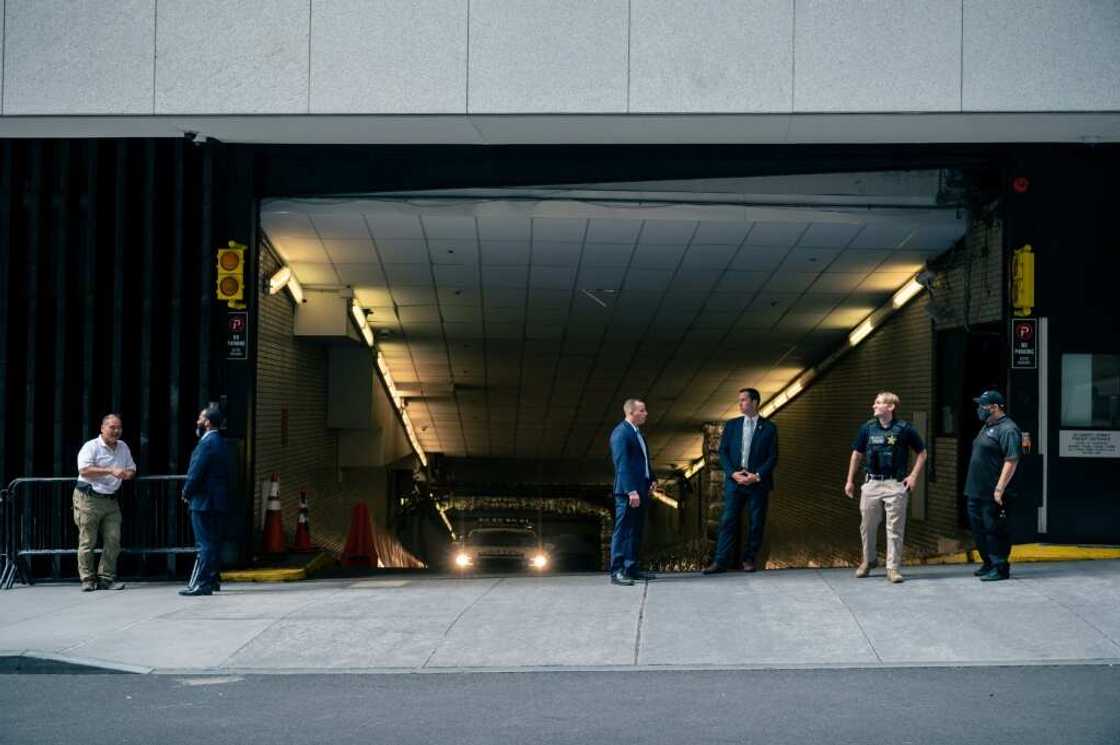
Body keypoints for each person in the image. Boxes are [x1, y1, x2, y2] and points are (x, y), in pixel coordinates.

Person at [844, 392, 927, 583]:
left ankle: (893, 568)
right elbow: (856, 454)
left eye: (879, 403)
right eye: (875, 402)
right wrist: (850, 480)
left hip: (895, 484)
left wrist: (913, 476)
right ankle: (869, 560)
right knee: (867, 525)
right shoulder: (867, 428)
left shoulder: (904, 429)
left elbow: (922, 453)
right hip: (872, 483)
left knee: (895, 528)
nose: (874, 405)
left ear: (891, 407)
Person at [703, 388, 778, 574]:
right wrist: (732, 474)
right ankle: (720, 561)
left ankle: (749, 559)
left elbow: (773, 456)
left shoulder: (769, 428)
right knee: (728, 520)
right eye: (740, 400)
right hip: (735, 482)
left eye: (744, 400)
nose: (740, 403)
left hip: (757, 483)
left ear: (754, 402)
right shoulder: (732, 425)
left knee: (756, 522)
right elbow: (723, 452)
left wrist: (757, 475)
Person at [74, 414, 137, 591]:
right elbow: (84, 470)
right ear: (102, 428)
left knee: (113, 539)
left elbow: (132, 468)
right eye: (112, 427)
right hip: (89, 498)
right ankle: (87, 578)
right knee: (88, 540)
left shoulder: (123, 447)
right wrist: (110, 470)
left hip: (110, 499)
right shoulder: (91, 446)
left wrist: (127, 474)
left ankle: (106, 578)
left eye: (119, 427)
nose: (116, 431)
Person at [965, 390, 1022, 582]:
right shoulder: (987, 426)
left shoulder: (1008, 429)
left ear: (995, 407)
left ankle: (1000, 567)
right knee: (979, 528)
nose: (979, 409)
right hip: (976, 490)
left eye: (983, 405)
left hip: (993, 491)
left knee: (994, 529)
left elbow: (1011, 460)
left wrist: (1000, 488)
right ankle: (988, 562)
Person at [180, 405, 232, 596]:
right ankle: (212, 579)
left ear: (208, 422)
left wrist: (186, 492)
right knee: (214, 542)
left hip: (204, 502)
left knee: (205, 543)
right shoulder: (221, 442)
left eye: (201, 418)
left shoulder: (206, 443)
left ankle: (202, 583)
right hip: (218, 501)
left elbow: (196, 472)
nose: (197, 421)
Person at [608, 399, 656, 586]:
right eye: (642, 411)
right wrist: (631, 491)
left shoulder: (637, 433)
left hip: (640, 488)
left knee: (635, 530)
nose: (646, 414)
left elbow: (643, 461)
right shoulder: (621, 433)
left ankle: (631, 568)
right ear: (631, 413)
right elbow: (622, 464)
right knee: (622, 531)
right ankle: (617, 571)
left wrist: (651, 479)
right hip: (628, 491)